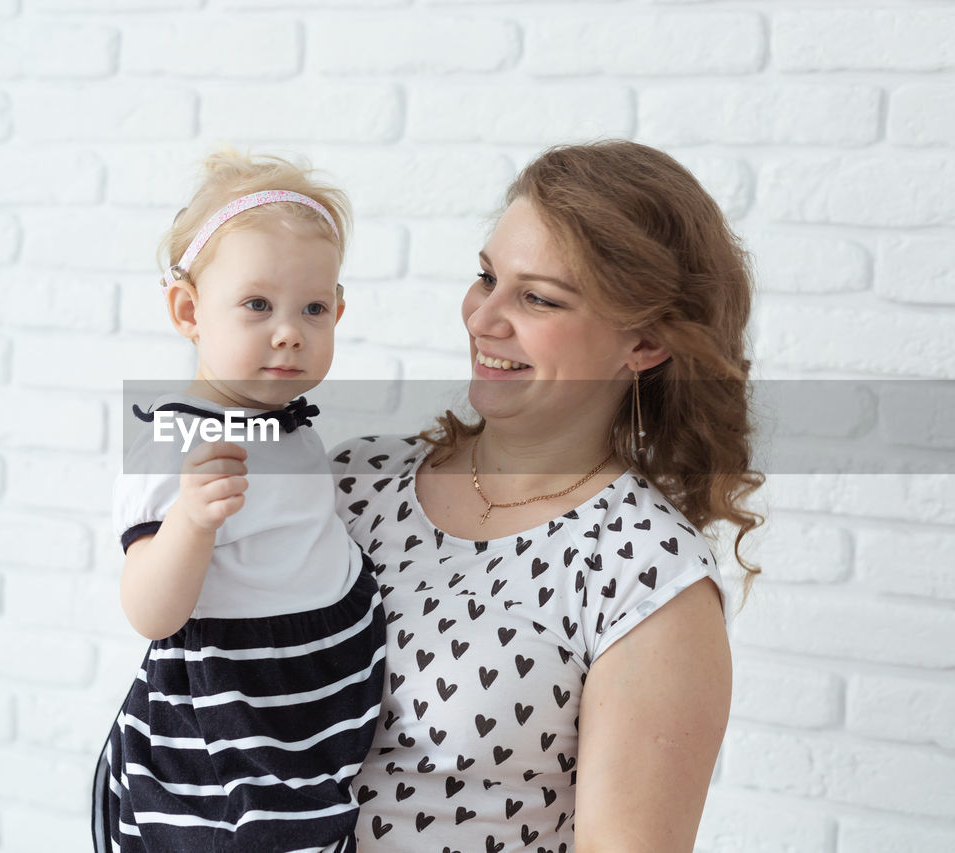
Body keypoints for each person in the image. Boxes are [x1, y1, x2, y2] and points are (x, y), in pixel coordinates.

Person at [329, 140, 764, 852]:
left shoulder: (647, 577)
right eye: (486, 276)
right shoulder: (354, 483)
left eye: (537, 297)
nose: (482, 318)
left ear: (646, 342)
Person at [94, 150, 386, 853]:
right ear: (189, 310)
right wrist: (191, 521)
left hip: (308, 705)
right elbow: (149, 609)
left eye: (314, 308)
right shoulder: (173, 441)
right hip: (231, 714)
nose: (290, 329)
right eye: (258, 304)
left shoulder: (287, 421)